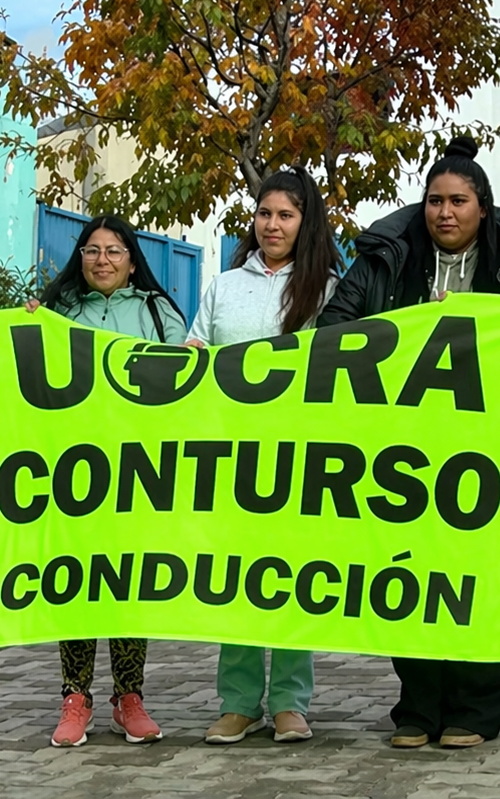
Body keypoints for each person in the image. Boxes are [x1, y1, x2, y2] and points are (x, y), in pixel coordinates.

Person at [318, 136, 500, 750]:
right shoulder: (387, 260)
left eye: (458, 201)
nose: (445, 213)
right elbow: (335, 328)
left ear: (483, 207)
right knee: (407, 573)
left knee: (481, 574)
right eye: (435, 201)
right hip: (404, 450)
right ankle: (417, 707)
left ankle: (476, 707)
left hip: (486, 447)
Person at [185, 169, 342, 745]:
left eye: (285, 215)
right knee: (237, 578)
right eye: (264, 214)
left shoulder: (327, 290)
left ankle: (290, 703)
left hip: (299, 455)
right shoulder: (223, 286)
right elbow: (196, 353)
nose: (272, 225)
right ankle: (238, 701)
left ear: (306, 222)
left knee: (292, 577)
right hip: (231, 456)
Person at [24, 214, 185, 747]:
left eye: (114, 251)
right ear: (80, 258)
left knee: (129, 584)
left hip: (141, 472)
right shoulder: (58, 312)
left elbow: (188, 384)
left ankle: (128, 698)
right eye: (92, 250)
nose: (102, 260)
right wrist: (26, 328)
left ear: (132, 261)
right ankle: (75, 698)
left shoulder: (158, 312)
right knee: (76, 581)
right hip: (75, 470)